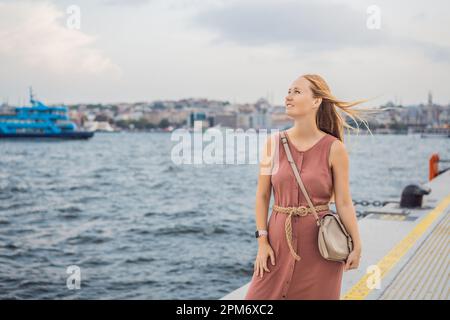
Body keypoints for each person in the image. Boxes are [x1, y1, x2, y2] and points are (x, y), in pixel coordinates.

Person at [244, 74, 371, 300]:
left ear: (316, 101)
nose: (288, 96)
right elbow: (262, 196)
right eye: (289, 91)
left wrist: (357, 244)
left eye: (297, 91)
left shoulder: (335, 148)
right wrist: (262, 242)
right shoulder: (272, 144)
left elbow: (343, 202)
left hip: (322, 249)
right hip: (277, 244)